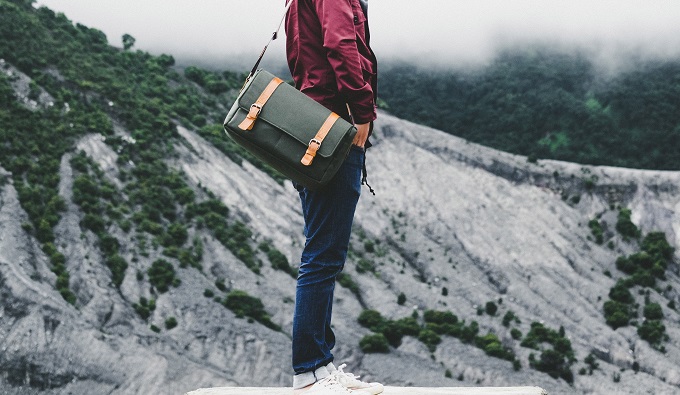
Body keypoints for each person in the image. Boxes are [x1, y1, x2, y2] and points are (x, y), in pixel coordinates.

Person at [285, 0, 380, 394]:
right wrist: (363, 112)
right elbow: (341, 43)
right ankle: (311, 372)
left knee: (323, 252)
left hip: (311, 124)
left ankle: (319, 369)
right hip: (333, 129)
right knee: (324, 254)